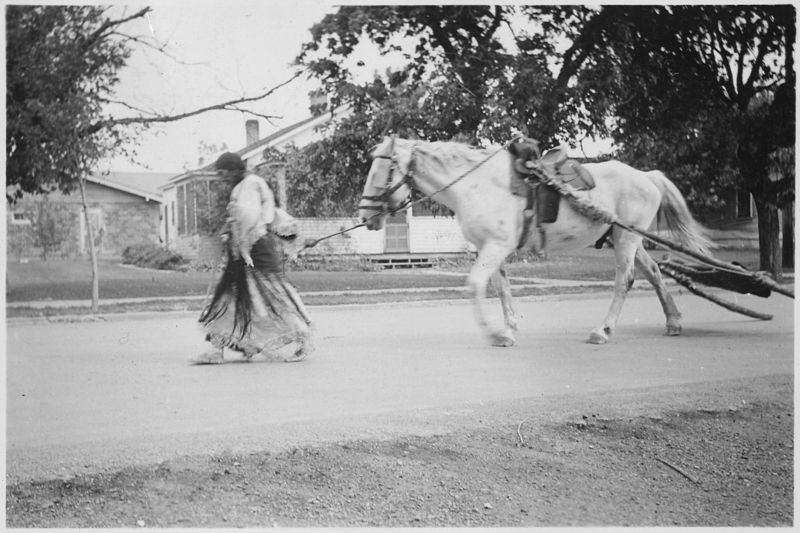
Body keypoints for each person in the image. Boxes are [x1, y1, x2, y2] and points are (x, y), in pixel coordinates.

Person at [194, 152, 313, 364]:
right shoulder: (247, 184)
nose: (222, 178)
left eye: (223, 173)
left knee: (271, 298)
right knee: (229, 300)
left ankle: (302, 337)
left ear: (234, 170)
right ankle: (220, 349)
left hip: (253, 249)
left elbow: (249, 216)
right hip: (246, 248)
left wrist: (235, 233)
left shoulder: (249, 184)